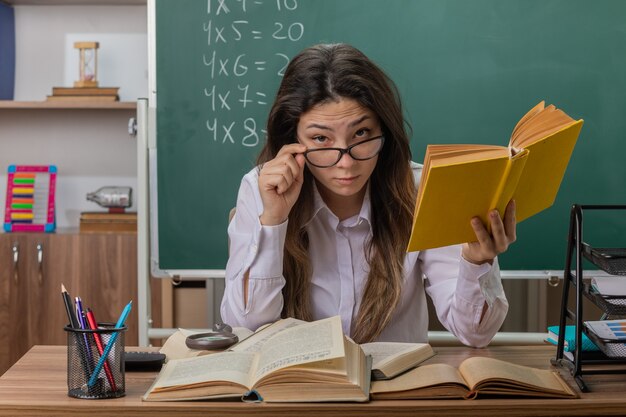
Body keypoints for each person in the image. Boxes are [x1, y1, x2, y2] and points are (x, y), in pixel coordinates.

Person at [220, 43, 514, 347]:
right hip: (298, 387)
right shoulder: (262, 189)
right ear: (292, 138)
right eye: (321, 139)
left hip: (396, 387)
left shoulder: (421, 189)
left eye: (361, 134)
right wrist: (273, 221)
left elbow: (475, 333)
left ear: (383, 131)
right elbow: (246, 328)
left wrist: (477, 261)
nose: (346, 163)